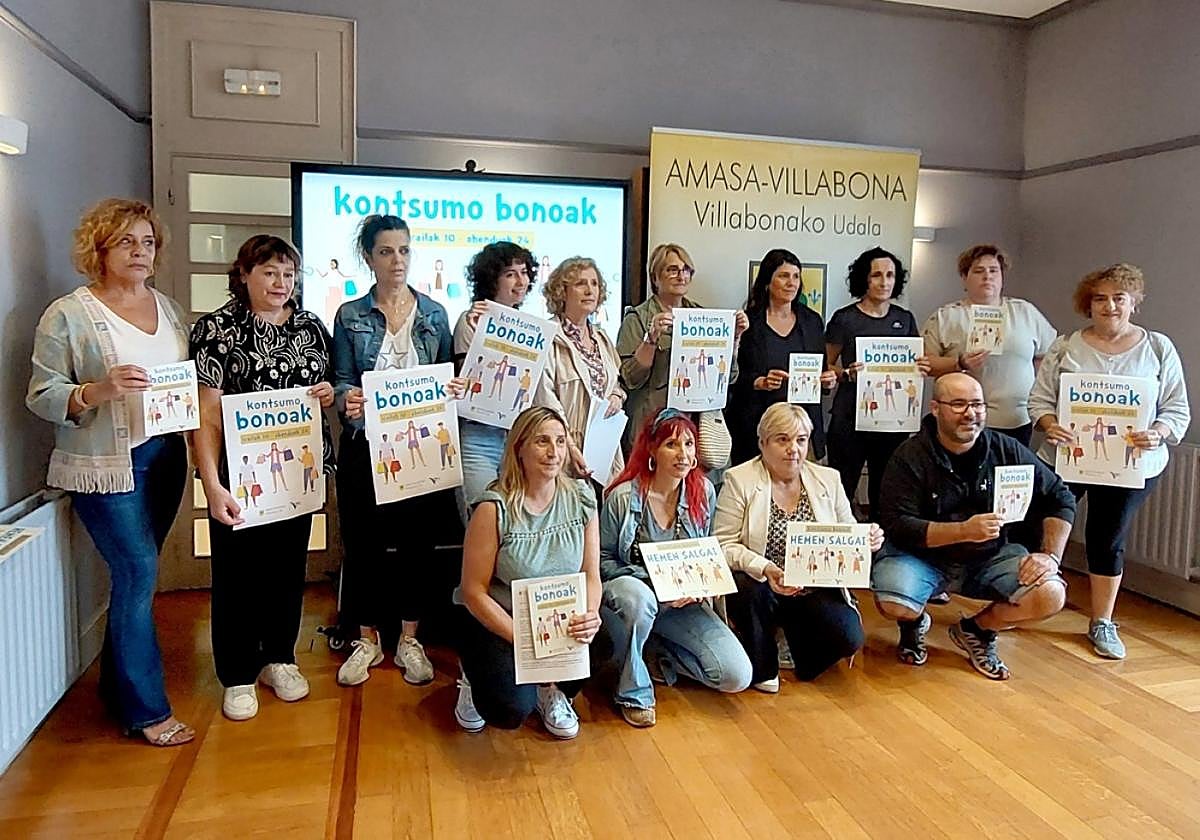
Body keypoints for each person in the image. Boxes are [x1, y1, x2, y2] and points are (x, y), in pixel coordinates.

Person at [26, 198, 194, 747]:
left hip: (164, 455)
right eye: (127, 242)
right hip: (105, 466)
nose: (141, 252)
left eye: (147, 242)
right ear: (99, 248)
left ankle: (115, 692)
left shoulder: (168, 308)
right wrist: (99, 390)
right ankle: (148, 712)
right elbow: (41, 394)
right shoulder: (69, 313)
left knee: (136, 580)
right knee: (139, 574)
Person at [191, 235, 336, 721]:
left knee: (286, 569)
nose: (280, 283)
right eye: (270, 272)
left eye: (289, 274)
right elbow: (206, 414)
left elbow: (325, 392)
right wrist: (212, 484)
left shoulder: (311, 327)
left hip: (297, 471)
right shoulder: (217, 328)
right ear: (244, 275)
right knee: (236, 574)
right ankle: (236, 673)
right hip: (239, 476)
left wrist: (327, 395)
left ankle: (280, 656)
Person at [1029, 264, 1190, 659]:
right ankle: (1025, 602)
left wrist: (1157, 432)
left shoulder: (1158, 349)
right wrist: (1050, 425)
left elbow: (1177, 411)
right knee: (1042, 526)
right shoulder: (1067, 346)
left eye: (1119, 297)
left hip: (1134, 464)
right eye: (1100, 298)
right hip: (1065, 458)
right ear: (1089, 304)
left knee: (1107, 537)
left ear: (1134, 302)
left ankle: (1102, 621)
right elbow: (1038, 401)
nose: (1110, 306)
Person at [330, 215, 462, 688]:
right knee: (364, 543)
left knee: (417, 546)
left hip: (422, 448)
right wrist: (349, 400)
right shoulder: (349, 315)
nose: (397, 260)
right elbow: (342, 379)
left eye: (404, 250)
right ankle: (367, 638)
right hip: (366, 446)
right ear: (369, 257)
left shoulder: (434, 313)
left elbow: (446, 377)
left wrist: (455, 388)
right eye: (386, 251)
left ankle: (410, 638)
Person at [873, 373, 1074, 680]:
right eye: (958, 404)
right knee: (892, 599)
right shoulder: (909, 455)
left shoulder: (1007, 450)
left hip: (992, 558)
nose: (971, 413)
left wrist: (1051, 556)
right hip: (922, 559)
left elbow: (1060, 497)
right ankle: (914, 623)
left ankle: (977, 630)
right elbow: (897, 525)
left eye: (978, 404)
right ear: (935, 408)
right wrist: (963, 531)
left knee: (1051, 594)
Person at [453, 407, 602, 738]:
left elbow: (591, 574)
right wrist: (524, 640)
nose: (554, 452)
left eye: (561, 442)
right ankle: (472, 677)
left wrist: (590, 615)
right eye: (542, 441)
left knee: (608, 640)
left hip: (556, 617)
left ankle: (550, 688)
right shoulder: (493, 507)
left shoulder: (582, 496)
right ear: (519, 447)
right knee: (508, 710)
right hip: (501, 617)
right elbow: (473, 591)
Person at [598, 409, 751, 727]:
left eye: (689, 444)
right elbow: (602, 561)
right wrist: (654, 583)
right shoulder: (622, 497)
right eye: (671, 444)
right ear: (652, 450)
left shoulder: (704, 492)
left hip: (681, 604)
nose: (683, 454)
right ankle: (633, 691)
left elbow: (706, 552)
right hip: (631, 597)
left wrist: (702, 585)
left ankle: (655, 652)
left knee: (736, 675)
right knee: (638, 600)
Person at [715, 404, 879, 690]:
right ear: (763, 443)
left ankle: (792, 644)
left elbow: (848, 533)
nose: (793, 449)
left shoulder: (828, 479)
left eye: (801, 440)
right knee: (748, 585)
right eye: (783, 439)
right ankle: (763, 665)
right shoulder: (739, 480)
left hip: (813, 586)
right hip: (762, 584)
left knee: (850, 637)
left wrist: (867, 540)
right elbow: (723, 545)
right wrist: (765, 567)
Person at [824, 246, 931, 518]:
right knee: (842, 486)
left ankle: (882, 550)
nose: (884, 282)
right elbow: (825, 365)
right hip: (849, 417)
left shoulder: (904, 319)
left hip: (891, 420)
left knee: (886, 487)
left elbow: (916, 362)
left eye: (890, 275)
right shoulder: (845, 318)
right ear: (864, 279)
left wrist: (919, 368)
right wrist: (847, 372)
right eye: (876, 275)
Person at [615, 243, 748, 454]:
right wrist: (651, 339)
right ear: (655, 277)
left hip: (696, 425)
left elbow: (727, 378)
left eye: (686, 270)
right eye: (672, 269)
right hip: (654, 424)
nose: (681, 275)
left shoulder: (702, 316)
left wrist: (734, 339)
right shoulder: (637, 318)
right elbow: (629, 378)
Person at [922, 245, 1057, 446]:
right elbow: (925, 364)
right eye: (978, 271)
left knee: (1012, 475)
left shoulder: (1025, 312)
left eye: (994, 270)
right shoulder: (946, 316)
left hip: (1018, 420)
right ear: (964, 278)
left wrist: (1036, 392)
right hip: (964, 420)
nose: (987, 277)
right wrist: (958, 364)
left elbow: (1049, 355)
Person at [452, 241, 537, 522]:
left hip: (518, 437)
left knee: (517, 527)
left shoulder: (531, 327)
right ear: (491, 279)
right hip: (479, 436)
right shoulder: (471, 321)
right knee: (483, 522)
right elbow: (469, 383)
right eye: (510, 274)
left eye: (524, 272)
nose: (520, 281)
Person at [728, 248, 837, 466]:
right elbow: (731, 377)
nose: (792, 283)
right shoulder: (748, 323)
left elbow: (822, 371)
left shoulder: (812, 321)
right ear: (768, 282)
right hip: (757, 428)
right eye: (784, 276)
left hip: (803, 430)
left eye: (796, 276)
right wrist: (760, 382)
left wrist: (828, 381)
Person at [534, 256, 626, 485]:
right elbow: (546, 400)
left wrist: (617, 395)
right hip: (563, 451)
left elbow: (616, 383)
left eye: (594, 284)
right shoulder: (548, 337)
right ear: (561, 291)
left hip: (605, 450)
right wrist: (570, 448)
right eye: (580, 284)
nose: (589, 290)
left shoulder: (602, 338)